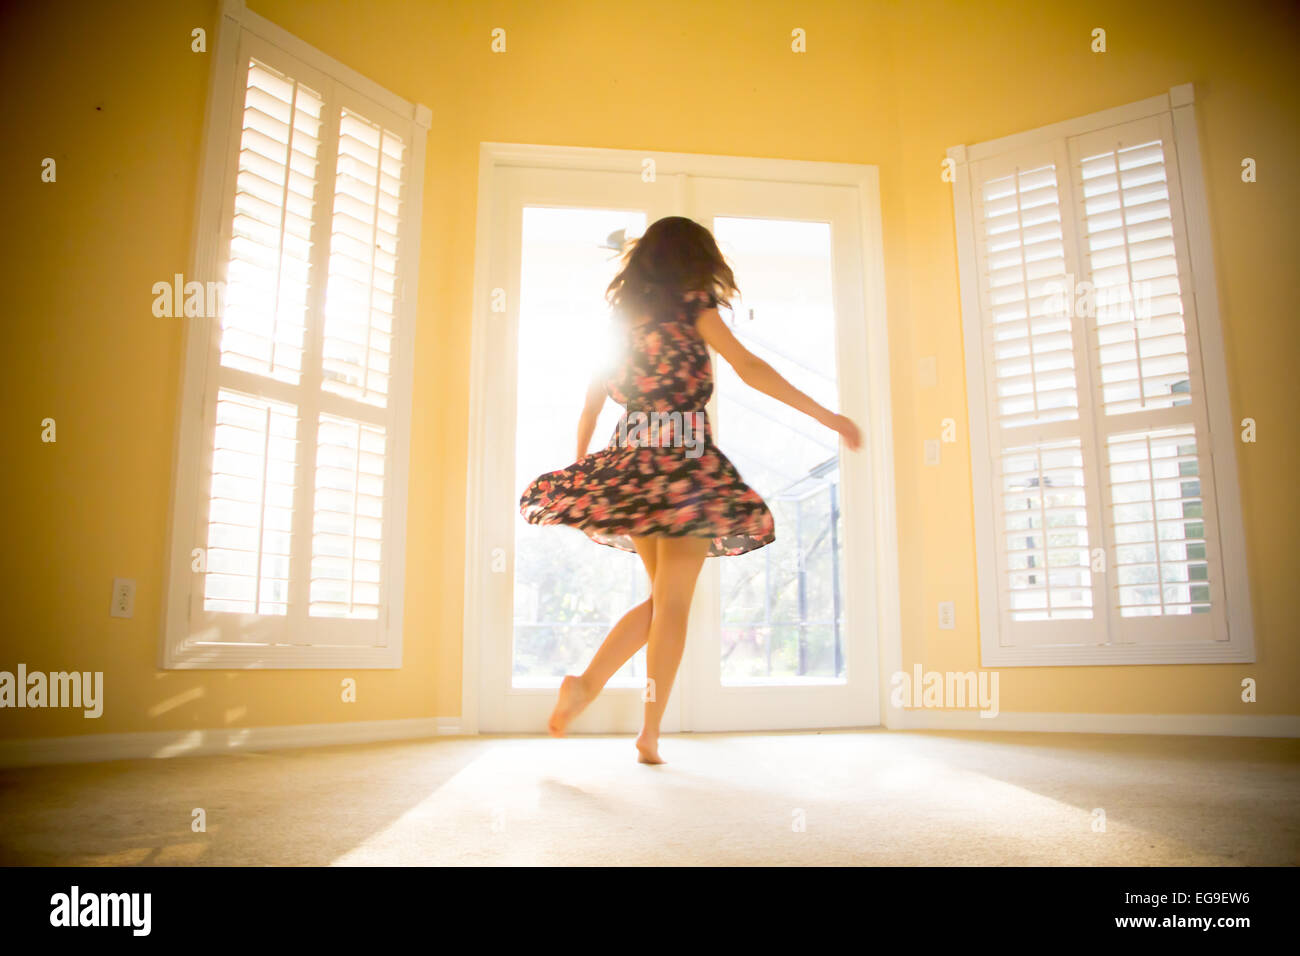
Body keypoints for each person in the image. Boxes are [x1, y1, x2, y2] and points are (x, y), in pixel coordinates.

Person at [519, 216, 862, 763]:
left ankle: (586, 688)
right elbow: (748, 366)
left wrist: (588, 472)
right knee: (673, 604)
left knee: (664, 602)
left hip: (630, 469)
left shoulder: (622, 321)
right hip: (684, 469)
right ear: (694, 260)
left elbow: (591, 402)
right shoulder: (694, 307)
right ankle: (648, 731)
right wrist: (827, 416)